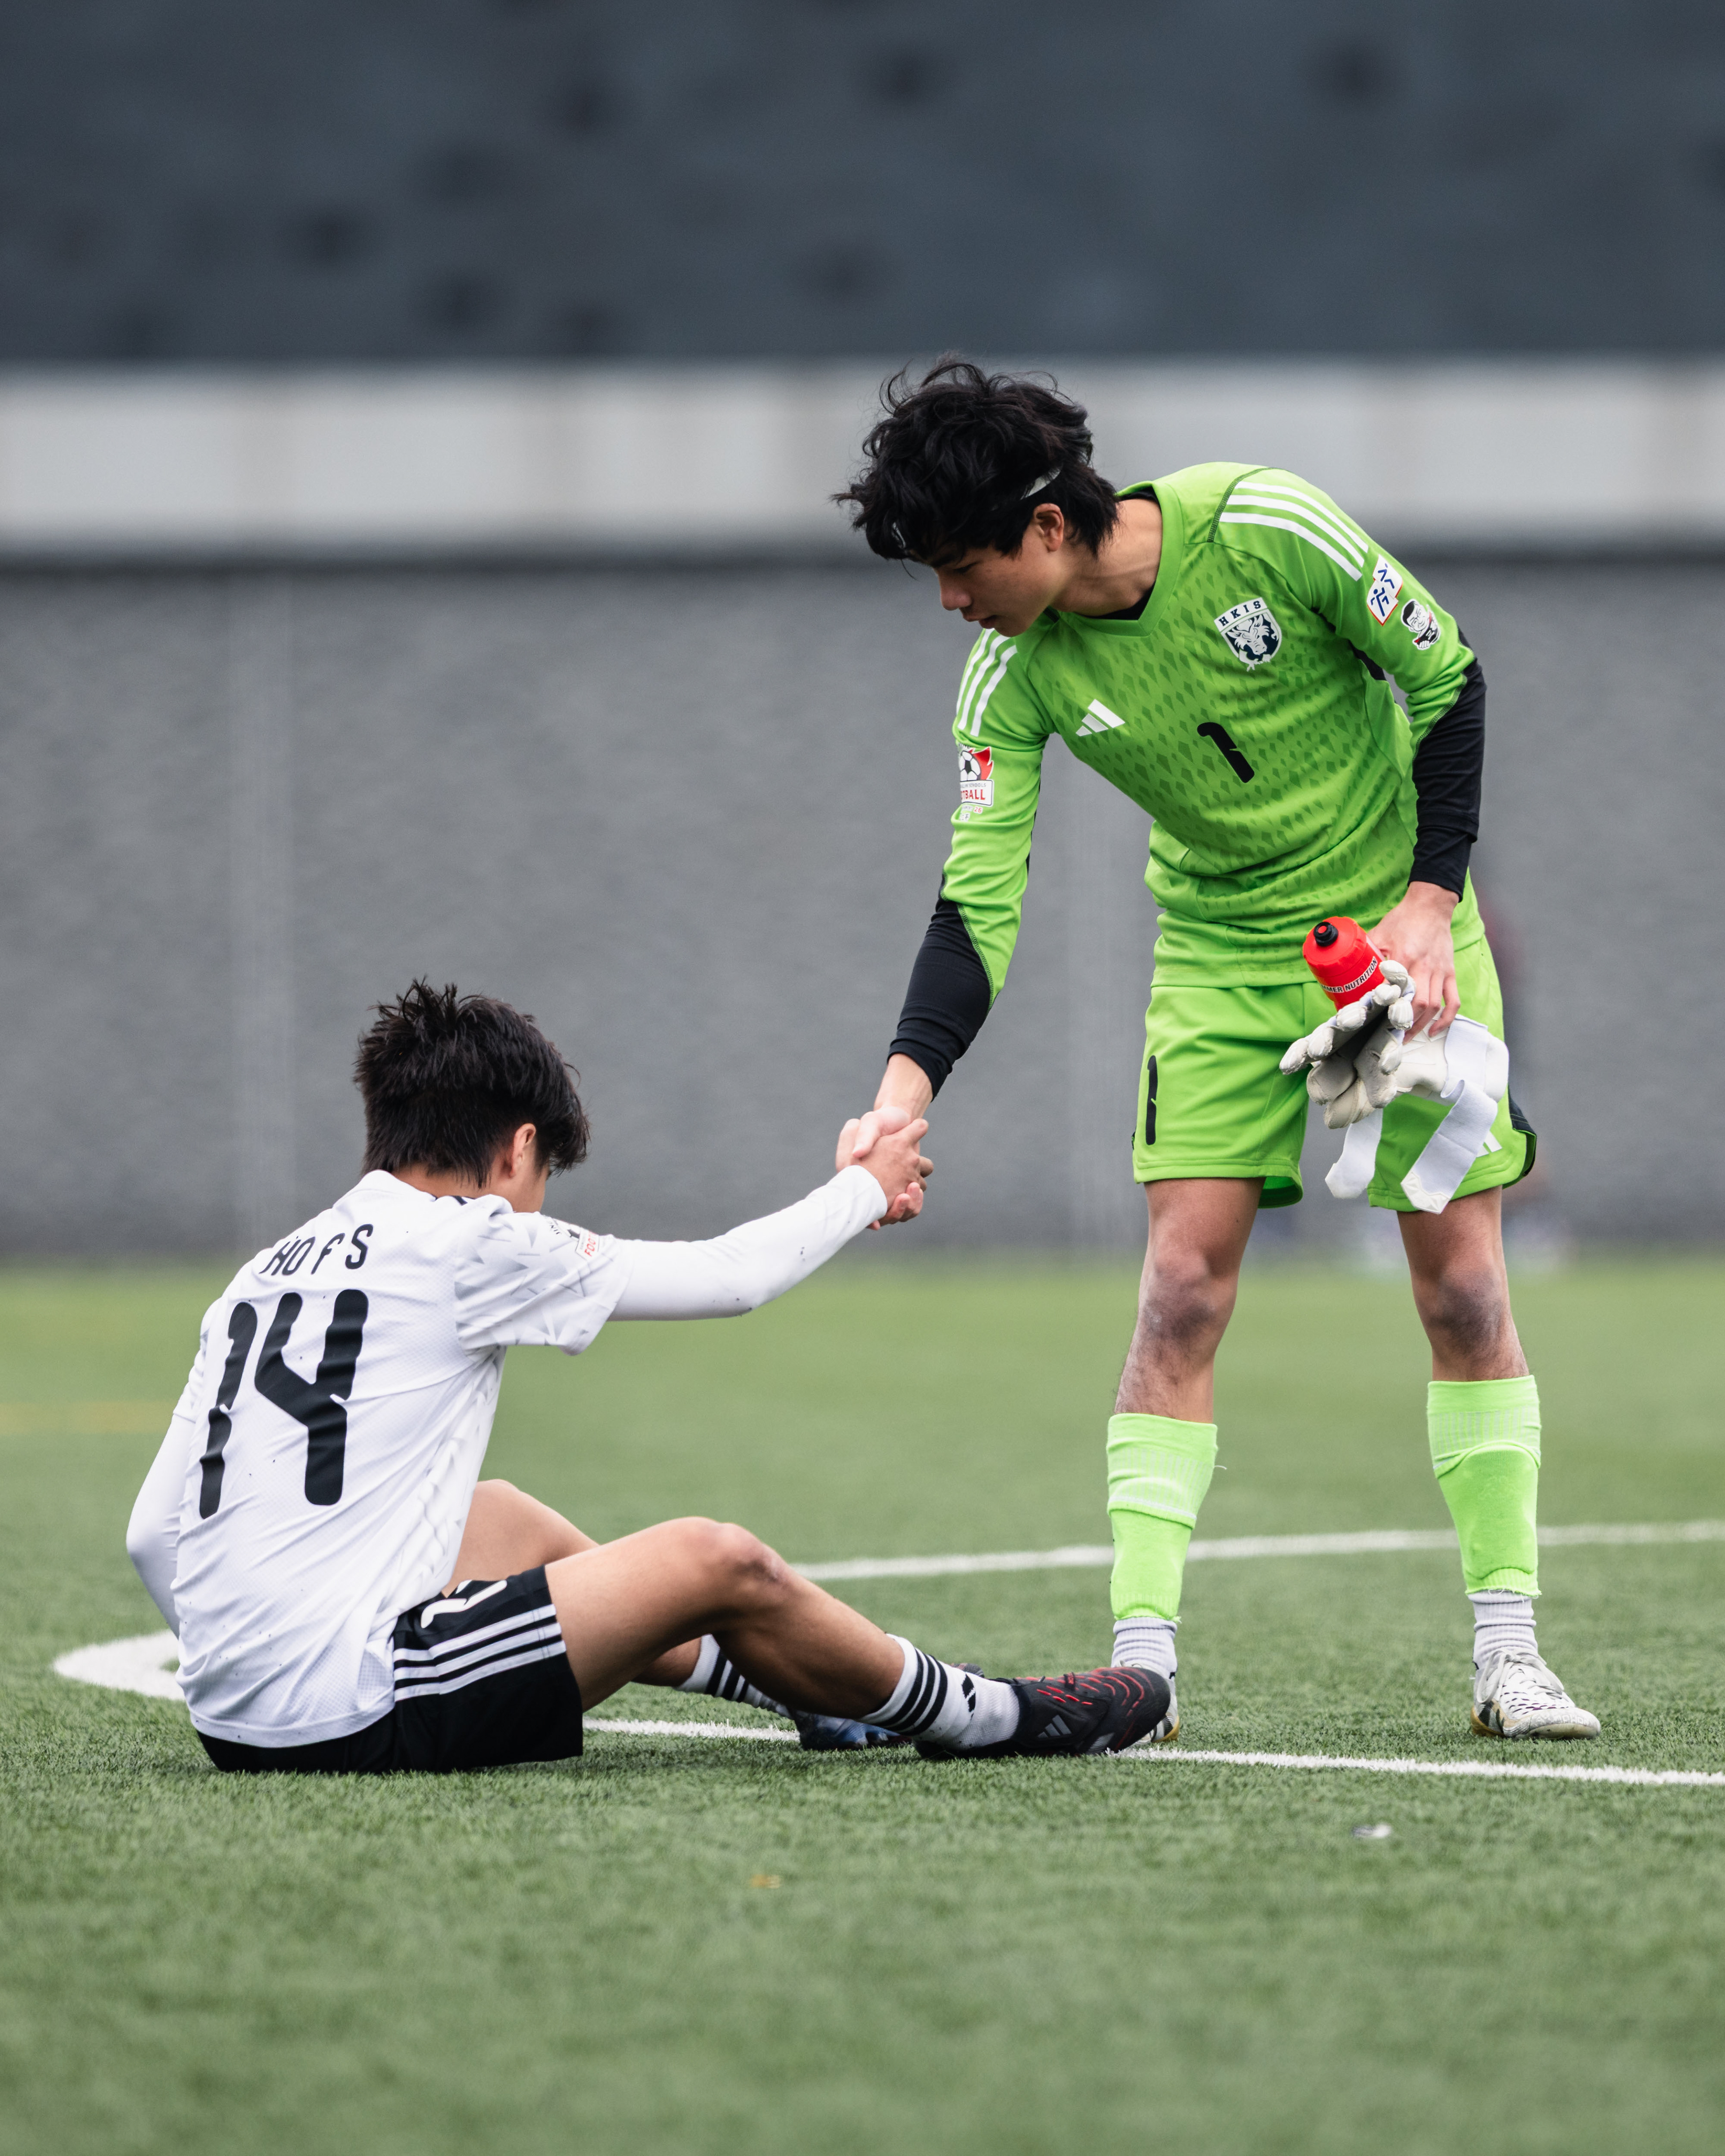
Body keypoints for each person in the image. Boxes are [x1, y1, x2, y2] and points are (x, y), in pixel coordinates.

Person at [834, 359, 1598, 1745]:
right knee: (1181, 1294)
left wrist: (1428, 907)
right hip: (1218, 965)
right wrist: (900, 1093)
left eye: (959, 565)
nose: (950, 600)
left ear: (1047, 530)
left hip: (1404, 933)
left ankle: (1511, 1653)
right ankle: (1145, 1673)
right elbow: (975, 903)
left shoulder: (1267, 526)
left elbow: (1449, 675)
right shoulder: (1009, 675)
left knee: (1468, 1298)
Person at [125, 980, 1167, 1774]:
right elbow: (730, 1278)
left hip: (231, 1713)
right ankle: (995, 1717)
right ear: (516, 1149)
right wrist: (864, 1188)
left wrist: (254, 1668)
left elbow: (151, 1535)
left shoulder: (262, 1273)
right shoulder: (470, 1241)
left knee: (501, 1518)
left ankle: (807, 1695)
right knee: (719, 1561)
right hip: (346, 1708)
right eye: (540, 1181)